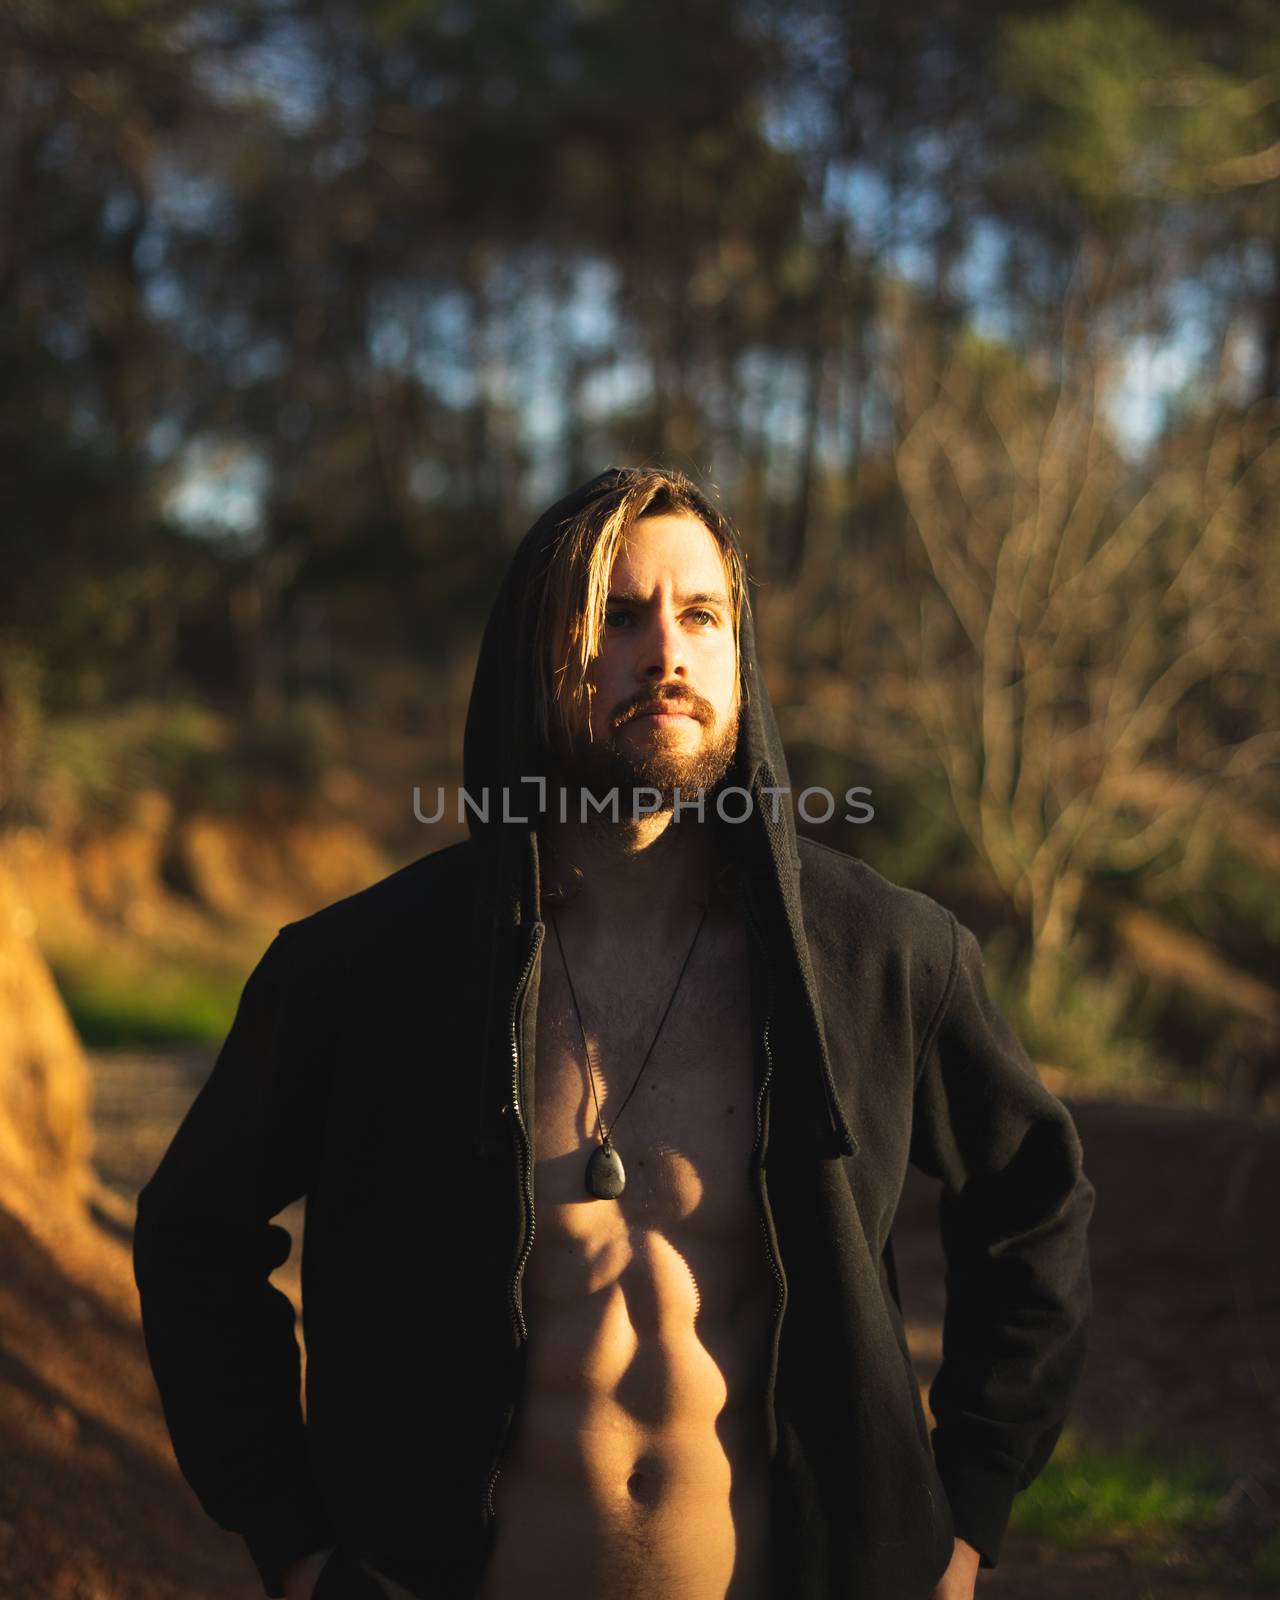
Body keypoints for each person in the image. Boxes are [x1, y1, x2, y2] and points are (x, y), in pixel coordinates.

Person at [133, 465, 1095, 1600]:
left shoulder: (881, 955)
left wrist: (962, 1520)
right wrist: (293, 1543)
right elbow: (196, 1230)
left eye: (700, 615)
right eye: (615, 616)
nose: (666, 654)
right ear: (530, 660)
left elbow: (1033, 1204)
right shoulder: (365, 972)